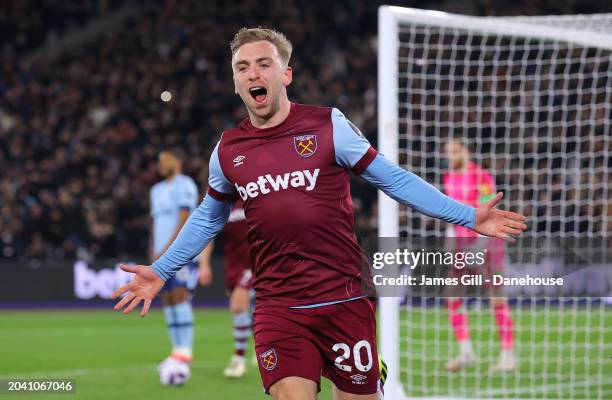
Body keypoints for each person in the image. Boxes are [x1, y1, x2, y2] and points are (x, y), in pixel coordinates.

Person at [112, 28, 527, 400]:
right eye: (243, 68)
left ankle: (372, 375)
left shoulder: (329, 126)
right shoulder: (228, 150)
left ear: (285, 75)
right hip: (278, 305)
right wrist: (163, 268)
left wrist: (468, 216)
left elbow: (394, 180)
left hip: (344, 297)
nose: (254, 74)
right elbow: (208, 217)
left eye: (263, 64)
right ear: (236, 82)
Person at [442, 140, 516, 372]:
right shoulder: (448, 177)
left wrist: (481, 245)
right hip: (460, 243)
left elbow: (489, 211)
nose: (450, 156)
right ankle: (466, 352)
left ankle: (507, 356)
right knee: (452, 295)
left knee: (496, 296)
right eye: (447, 153)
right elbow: (448, 211)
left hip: (487, 242)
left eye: (454, 151)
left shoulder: (481, 176)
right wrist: (449, 237)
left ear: (465, 151)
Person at [149, 149, 210, 374]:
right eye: (159, 162)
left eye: (164, 160)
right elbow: (155, 222)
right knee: (167, 298)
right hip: (160, 253)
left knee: (180, 296)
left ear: (177, 161)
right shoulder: (156, 190)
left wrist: (169, 249)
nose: (161, 165)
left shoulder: (185, 185)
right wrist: (154, 249)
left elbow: (185, 220)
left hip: (181, 253)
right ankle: (176, 350)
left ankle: (186, 350)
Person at [199, 200, 255, 378]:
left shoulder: (252, 194)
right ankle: (265, 344)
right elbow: (209, 234)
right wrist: (204, 264)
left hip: (256, 263)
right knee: (248, 310)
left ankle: (238, 360)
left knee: (238, 306)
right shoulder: (223, 203)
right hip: (233, 266)